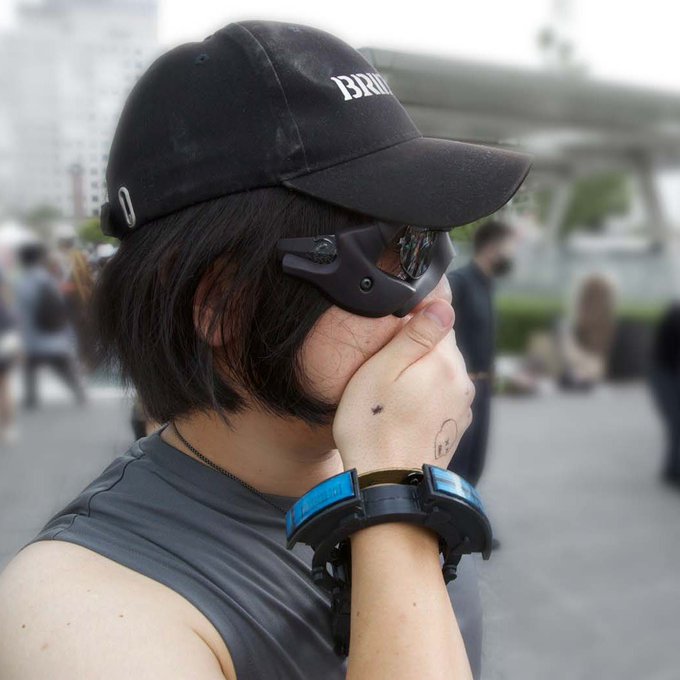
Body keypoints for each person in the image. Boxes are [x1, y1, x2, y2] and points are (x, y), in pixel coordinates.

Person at [0, 20, 530, 679]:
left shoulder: (383, 453)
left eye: (432, 243)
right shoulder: (79, 608)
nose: (436, 301)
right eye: (395, 256)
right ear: (223, 303)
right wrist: (393, 492)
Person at [446, 220, 517, 487]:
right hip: (463, 389)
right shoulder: (460, 282)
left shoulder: (487, 284)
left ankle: (466, 512)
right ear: (491, 247)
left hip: (484, 389)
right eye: (509, 247)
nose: (512, 254)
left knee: (475, 467)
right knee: (456, 467)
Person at [12, 241, 86, 409]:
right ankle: (79, 393)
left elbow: (20, 311)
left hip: (32, 335)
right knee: (61, 365)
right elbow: (59, 304)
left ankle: (31, 399)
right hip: (52, 334)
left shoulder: (22, 281)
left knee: (31, 367)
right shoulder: (46, 279)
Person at [648, 302, 680, 487]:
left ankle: (673, 469)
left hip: (666, 372)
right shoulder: (676, 314)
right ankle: (673, 471)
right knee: (677, 422)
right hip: (665, 375)